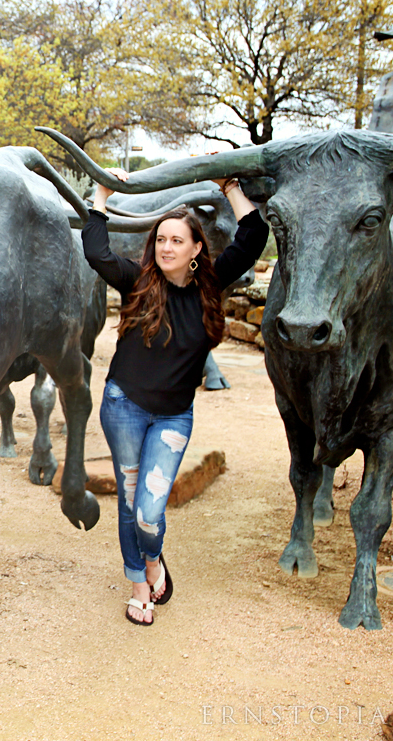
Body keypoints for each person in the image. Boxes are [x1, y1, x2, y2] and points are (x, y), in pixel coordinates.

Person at [81, 172, 268, 625]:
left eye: (176, 241)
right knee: (129, 504)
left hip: (173, 419)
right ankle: (141, 580)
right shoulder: (137, 280)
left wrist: (230, 189)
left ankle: (152, 554)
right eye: (161, 239)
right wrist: (102, 196)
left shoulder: (211, 284)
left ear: (196, 249)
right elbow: (96, 250)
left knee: (149, 511)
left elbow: (254, 235)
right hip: (123, 408)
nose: (166, 248)